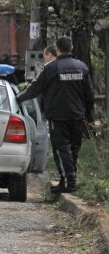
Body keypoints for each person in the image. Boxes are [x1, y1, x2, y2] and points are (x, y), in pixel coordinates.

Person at [17, 36, 94, 194]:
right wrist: (89, 115)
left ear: (57, 50)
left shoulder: (51, 68)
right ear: (71, 48)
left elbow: (34, 89)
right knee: (73, 148)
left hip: (58, 116)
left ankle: (68, 181)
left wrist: (18, 97)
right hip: (78, 115)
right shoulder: (82, 67)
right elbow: (89, 94)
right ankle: (70, 179)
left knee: (61, 148)